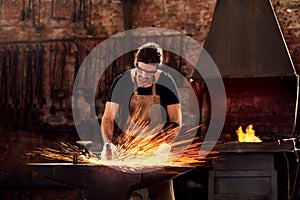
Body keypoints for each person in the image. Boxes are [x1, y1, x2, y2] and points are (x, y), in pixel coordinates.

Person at [101, 42, 182, 200]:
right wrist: (108, 144)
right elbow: (108, 117)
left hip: (156, 152)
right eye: (141, 71)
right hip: (127, 152)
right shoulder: (122, 82)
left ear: (158, 69)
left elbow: (176, 120)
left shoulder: (166, 82)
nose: (144, 76)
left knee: (162, 196)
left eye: (149, 74)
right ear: (135, 64)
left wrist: (164, 145)